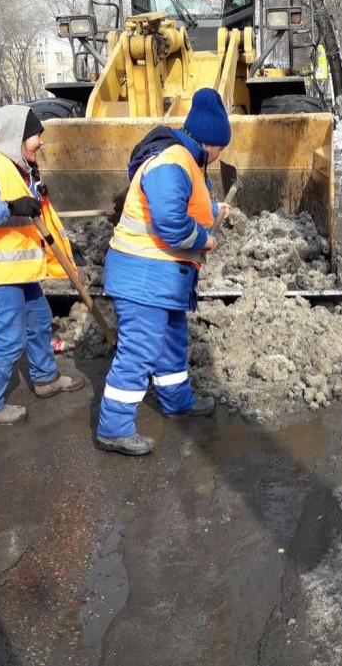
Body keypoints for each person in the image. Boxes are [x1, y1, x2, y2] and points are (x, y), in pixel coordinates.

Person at [96, 87, 232, 455]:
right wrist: (204, 239)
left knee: (172, 340)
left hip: (164, 278)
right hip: (144, 277)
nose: (220, 155)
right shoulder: (172, 162)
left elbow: (187, 205)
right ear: (210, 141)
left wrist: (214, 211)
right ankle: (114, 427)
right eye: (221, 148)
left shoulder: (185, 161)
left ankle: (176, 400)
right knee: (139, 351)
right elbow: (170, 222)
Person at [0, 105, 85, 426]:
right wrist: (8, 207)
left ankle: (46, 378)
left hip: (19, 271)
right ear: (15, 137)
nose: (41, 142)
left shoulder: (20, 168)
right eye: (36, 135)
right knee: (9, 339)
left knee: (39, 321)